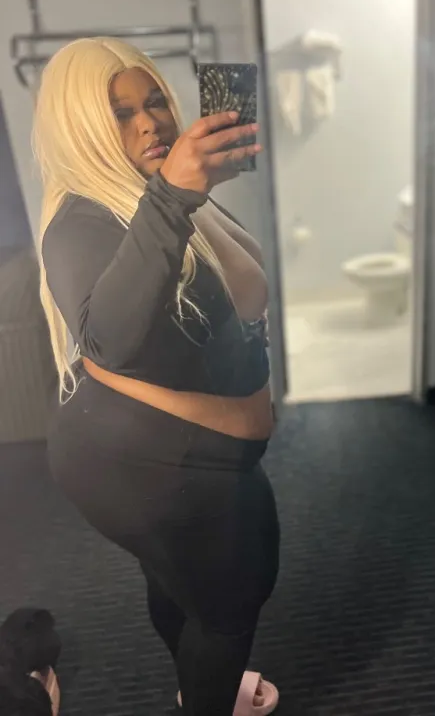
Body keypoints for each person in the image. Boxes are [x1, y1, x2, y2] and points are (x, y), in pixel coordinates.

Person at [35, 38, 280, 716]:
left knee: (183, 587)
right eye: (121, 113)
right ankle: (205, 695)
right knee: (229, 611)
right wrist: (174, 197)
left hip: (167, 462)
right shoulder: (82, 221)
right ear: (83, 126)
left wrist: (185, 193)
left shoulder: (154, 194)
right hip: (148, 469)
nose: (149, 123)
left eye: (154, 103)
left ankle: (194, 685)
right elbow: (110, 338)